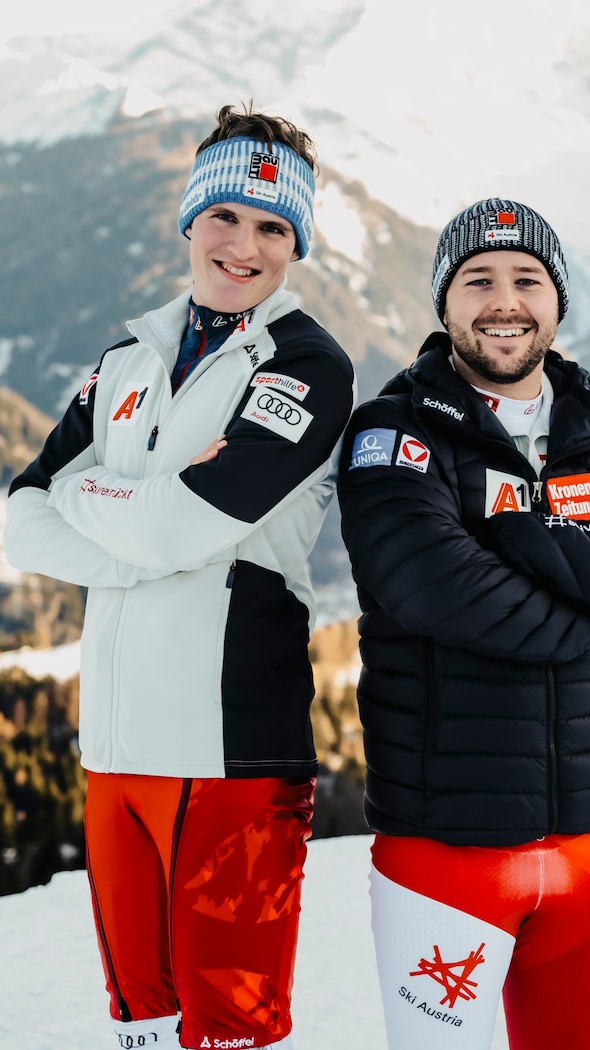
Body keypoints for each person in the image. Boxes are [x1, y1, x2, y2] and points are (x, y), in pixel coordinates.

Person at [4, 103, 356, 1050]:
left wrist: (106, 499)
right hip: (115, 751)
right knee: (143, 1027)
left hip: (231, 755)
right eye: (228, 217)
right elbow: (21, 514)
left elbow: (179, 523)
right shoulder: (128, 353)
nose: (244, 246)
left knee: (229, 1031)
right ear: (191, 219)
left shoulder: (309, 365)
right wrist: (148, 515)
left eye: (274, 228)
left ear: (297, 247)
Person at [336, 198, 590, 1050]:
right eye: (479, 279)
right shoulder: (393, 432)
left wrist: (515, 536)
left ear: (557, 300)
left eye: (527, 278)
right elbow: (443, 593)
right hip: (445, 849)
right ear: (444, 302)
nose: (505, 300)